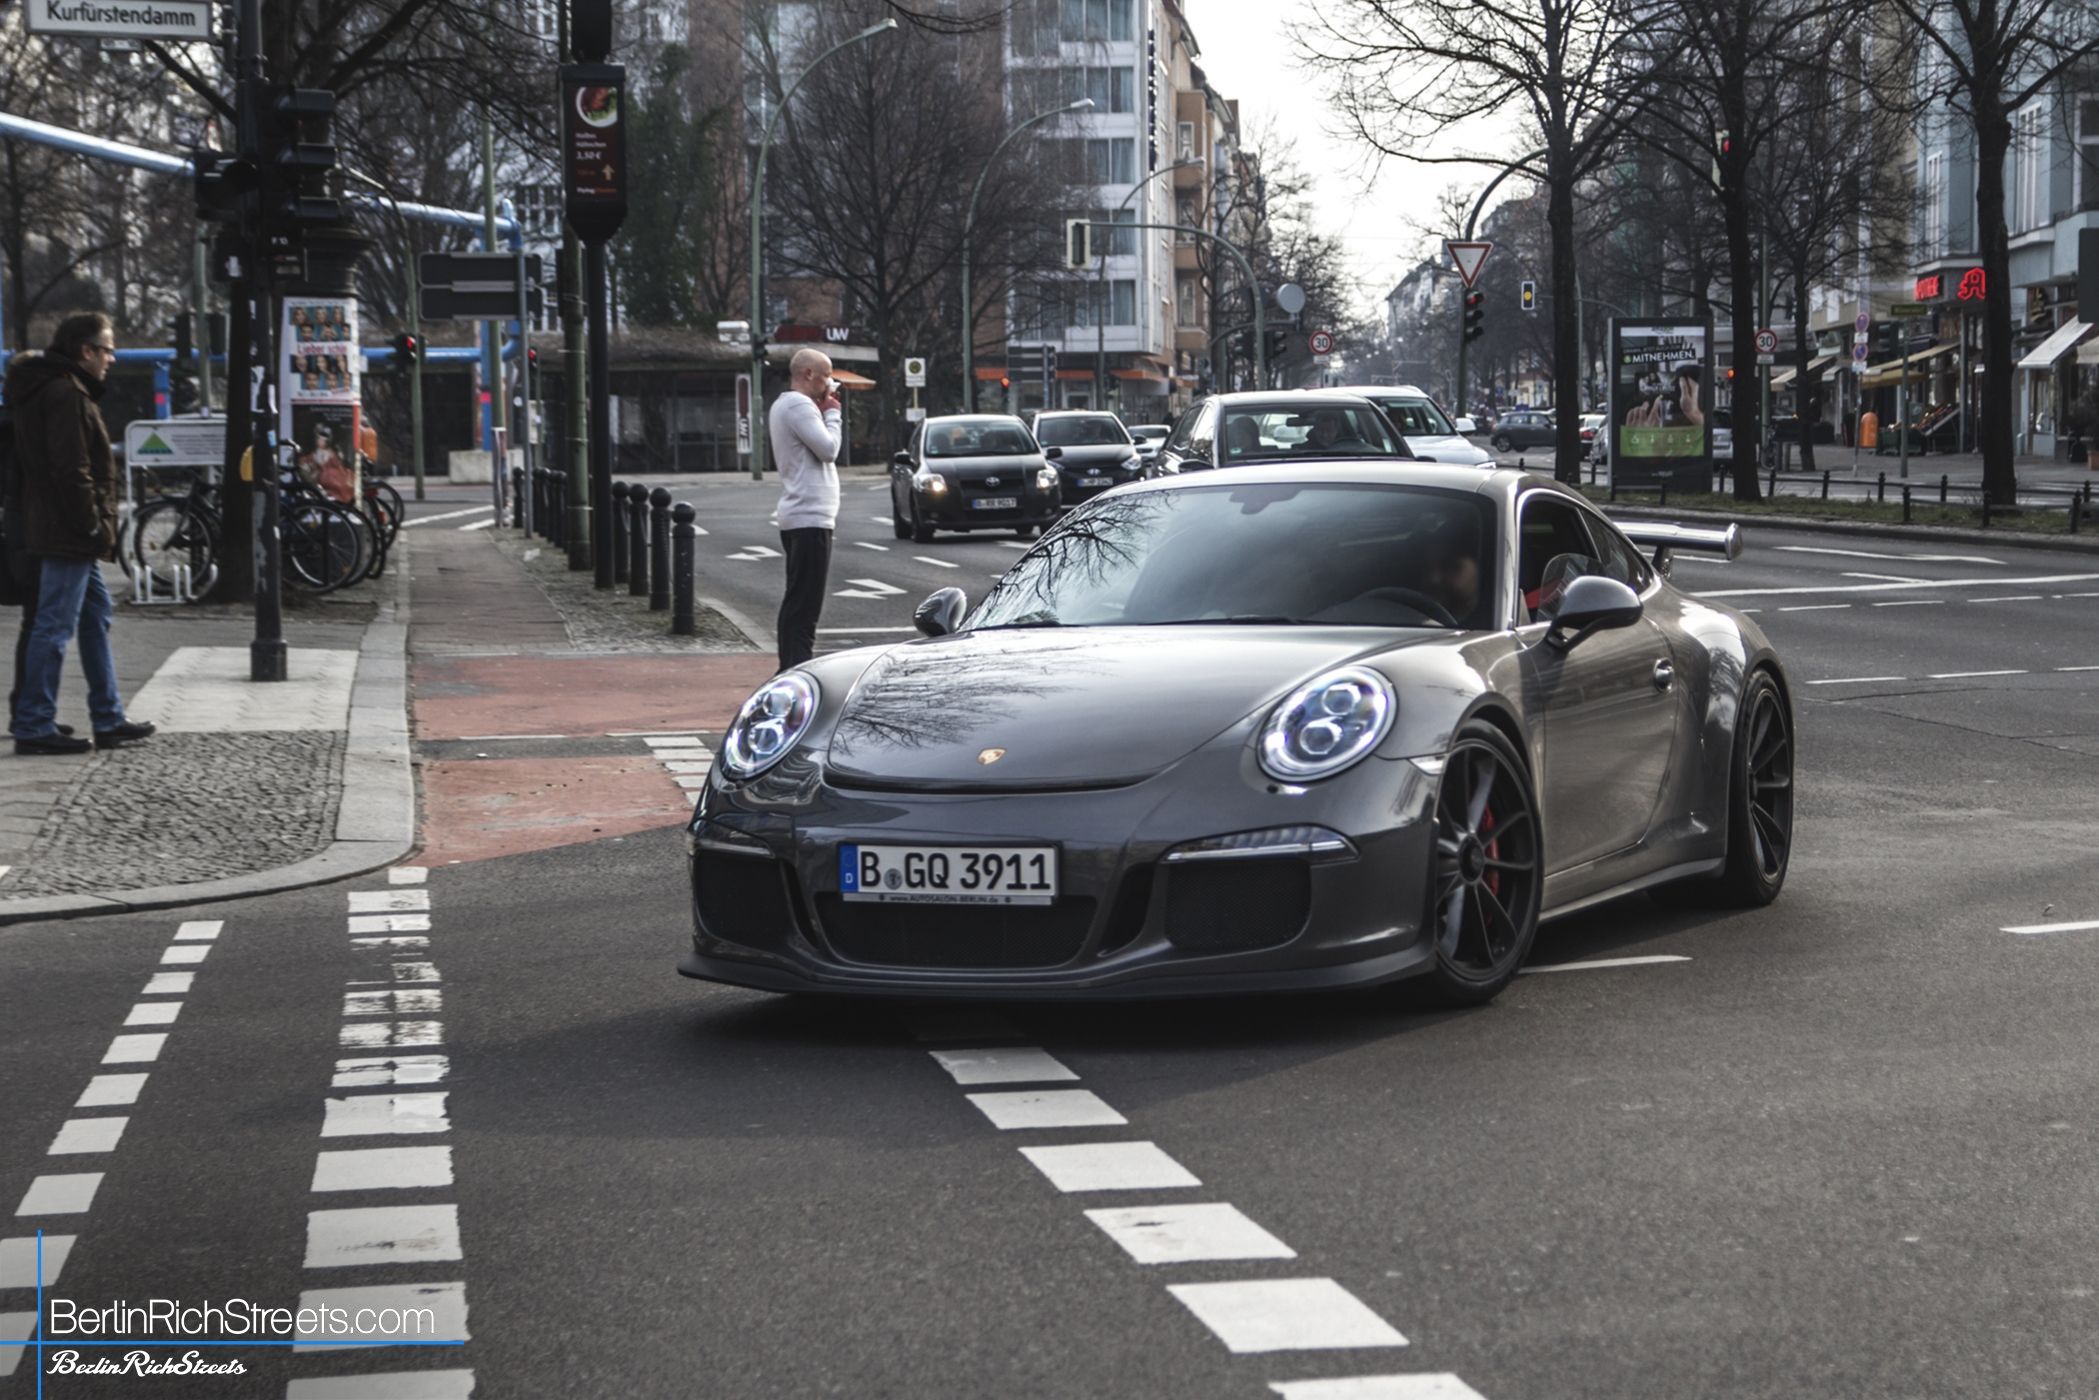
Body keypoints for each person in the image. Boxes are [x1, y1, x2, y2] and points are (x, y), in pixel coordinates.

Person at [6, 312, 154, 754]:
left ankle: (108, 717)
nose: (112, 358)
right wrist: (90, 523)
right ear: (85, 351)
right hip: (68, 531)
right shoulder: (66, 393)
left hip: (64, 528)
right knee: (53, 625)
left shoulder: (54, 387)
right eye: (107, 350)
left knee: (95, 615)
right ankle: (34, 725)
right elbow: (71, 469)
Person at [767, 347, 841, 670]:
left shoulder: (786, 405)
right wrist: (833, 413)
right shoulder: (799, 405)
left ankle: (790, 665)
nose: (830, 383)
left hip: (803, 515)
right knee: (805, 607)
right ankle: (794, 669)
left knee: (798, 600)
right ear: (809, 374)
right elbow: (829, 448)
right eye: (826, 376)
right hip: (809, 517)